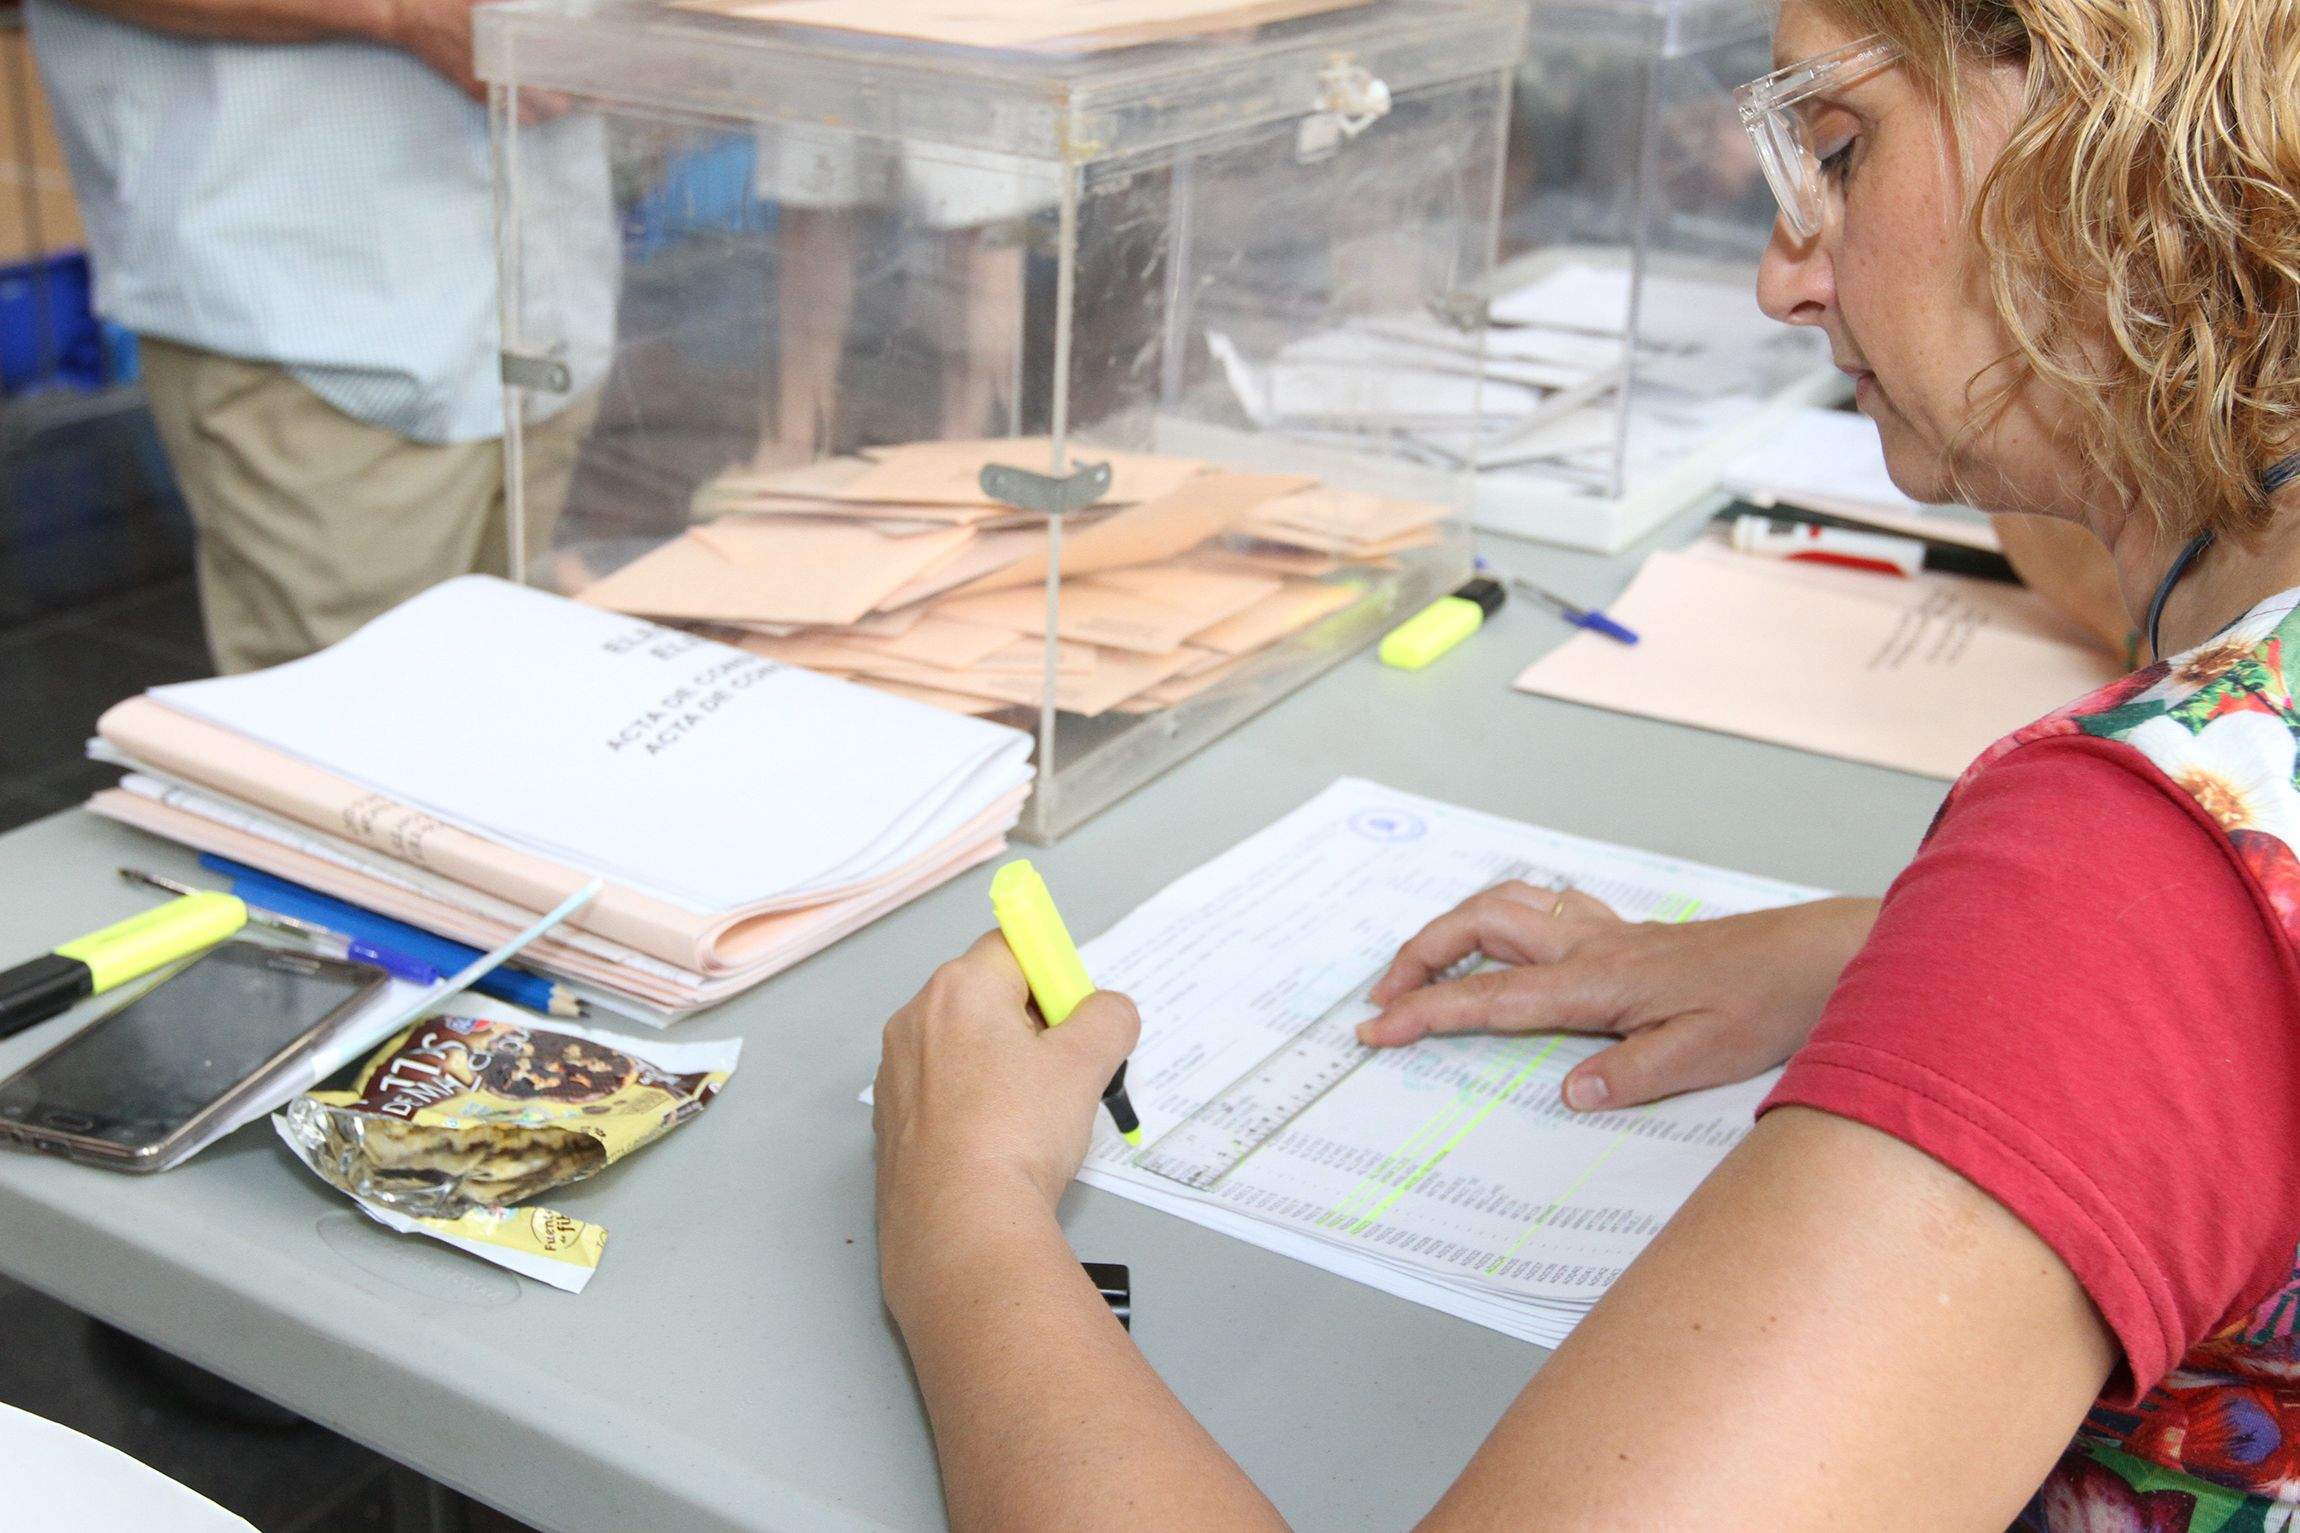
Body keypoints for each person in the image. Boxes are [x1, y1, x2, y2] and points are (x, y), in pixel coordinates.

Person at [869, 0, 2300, 1523]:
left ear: (2118, 125)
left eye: (1837, 148)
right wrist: (1894, 958)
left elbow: (2176, 921)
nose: (1781, 278)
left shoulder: (2143, 868)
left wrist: (966, 1219)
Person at [25, 0, 610, 674]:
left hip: (546, 293)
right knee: (344, 707)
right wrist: (399, 15)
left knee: (516, 678)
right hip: (309, 320)